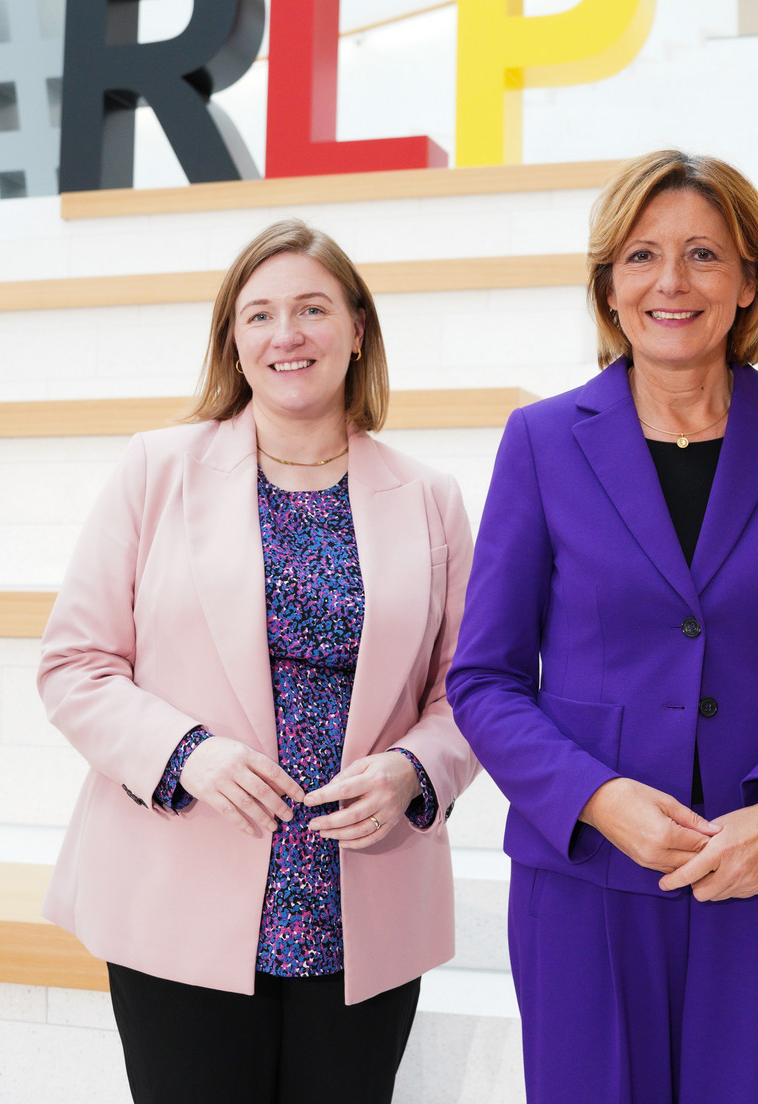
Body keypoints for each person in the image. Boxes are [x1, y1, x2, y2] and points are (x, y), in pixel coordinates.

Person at [446, 150, 758, 1104]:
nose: (673, 282)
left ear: (749, 281)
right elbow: (483, 678)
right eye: (643, 256)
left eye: (704, 254)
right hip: (588, 875)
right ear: (609, 287)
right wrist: (597, 796)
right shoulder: (540, 440)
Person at [38, 219, 480, 1104]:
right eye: (261, 315)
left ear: (358, 329)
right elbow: (74, 664)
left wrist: (411, 771)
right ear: (234, 343)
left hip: (362, 899)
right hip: (181, 890)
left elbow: (468, 690)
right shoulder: (157, 468)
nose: (288, 335)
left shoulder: (429, 498)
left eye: (313, 309)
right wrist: (185, 753)